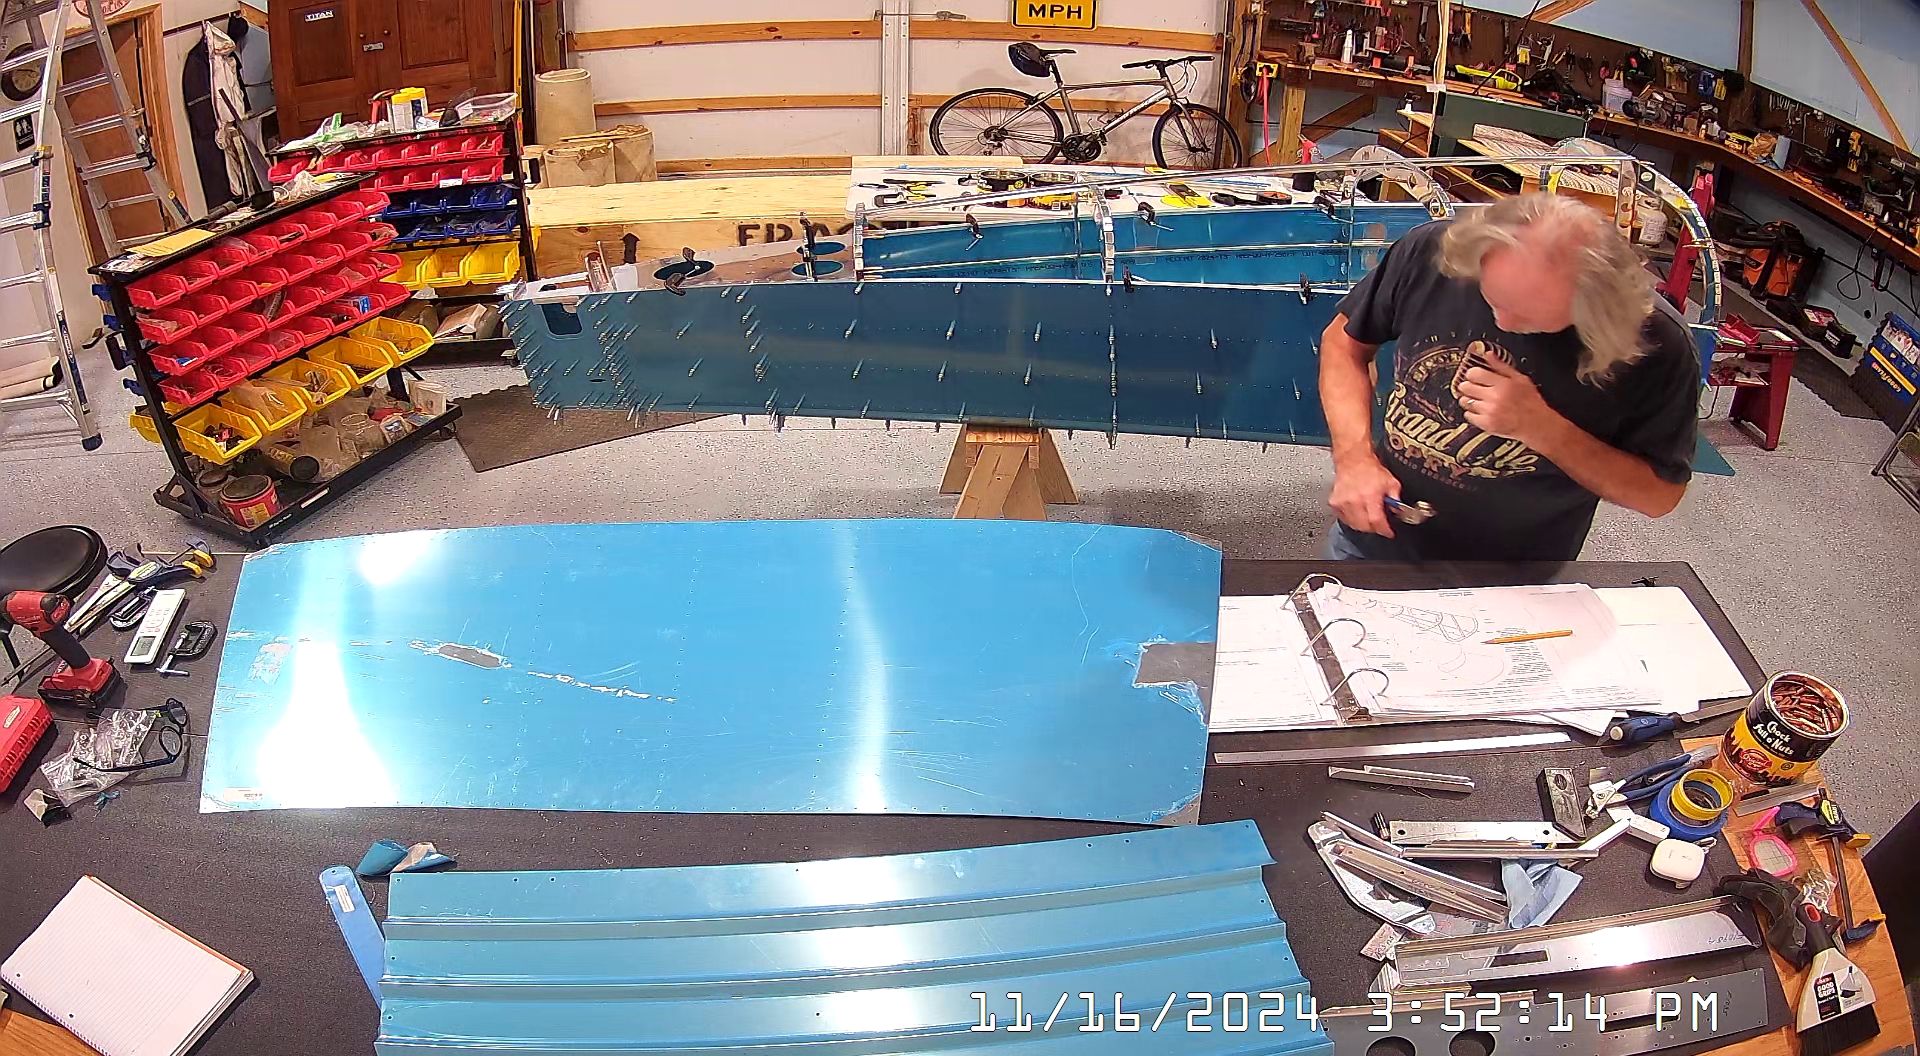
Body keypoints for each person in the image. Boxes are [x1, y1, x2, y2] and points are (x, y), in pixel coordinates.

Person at [1317, 192, 1700, 562]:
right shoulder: (1432, 250)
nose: (1502, 324)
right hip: (1374, 540)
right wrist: (1354, 461)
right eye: (1492, 300)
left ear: (1594, 308)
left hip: (1516, 575)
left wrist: (1542, 429)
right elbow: (1343, 344)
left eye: (1529, 319)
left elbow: (1658, 496)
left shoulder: (1655, 343)